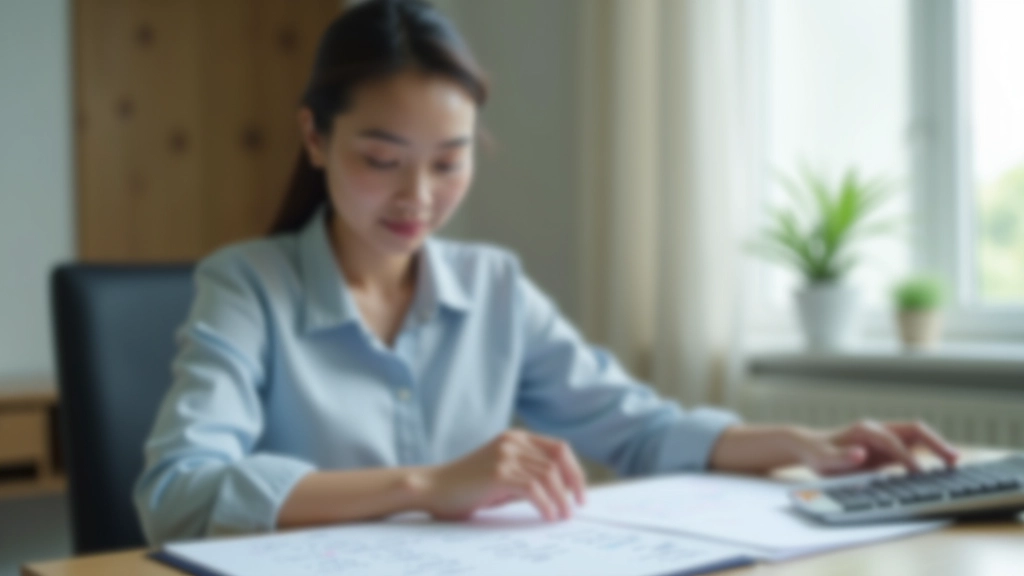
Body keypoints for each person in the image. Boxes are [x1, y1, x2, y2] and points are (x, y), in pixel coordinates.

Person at [133, 0, 959, 545]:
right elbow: (176, 492)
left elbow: (638, 428)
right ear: (315, 140)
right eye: (382, 160)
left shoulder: (493, 286)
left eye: (449, 162)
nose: (418, 197)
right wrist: (428, 485)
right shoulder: (246, 286)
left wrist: (805, 443)